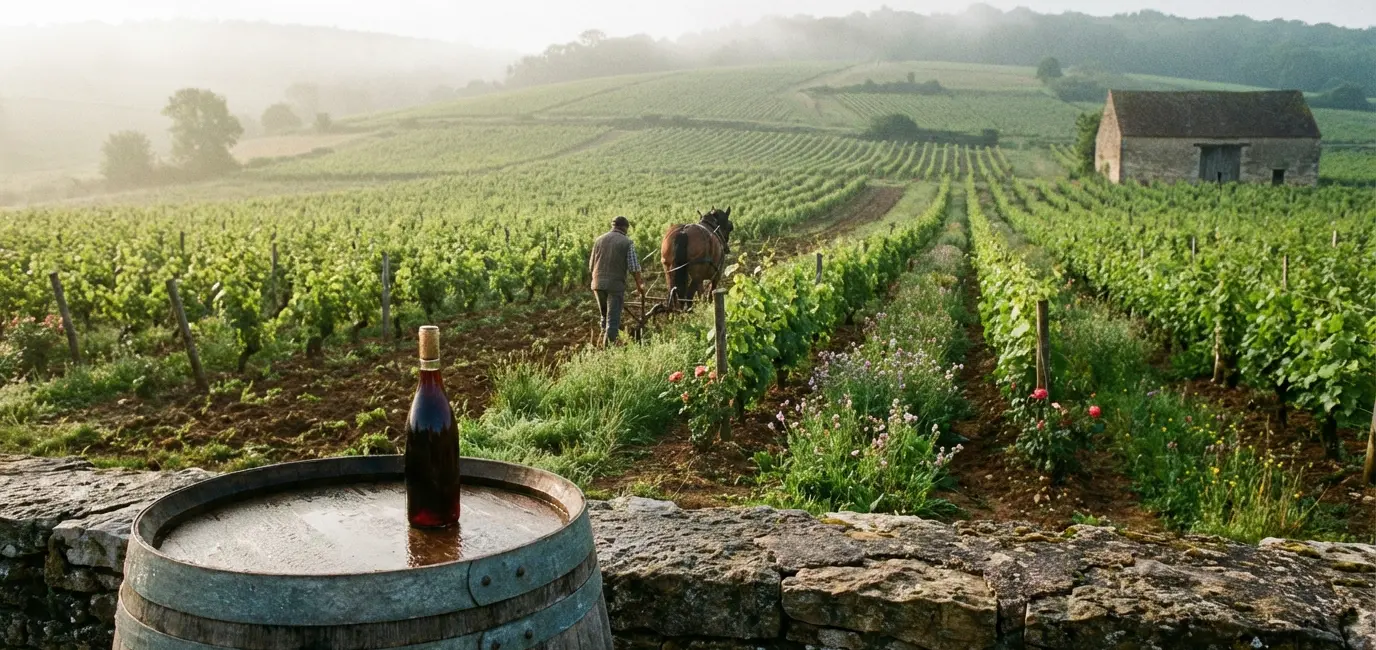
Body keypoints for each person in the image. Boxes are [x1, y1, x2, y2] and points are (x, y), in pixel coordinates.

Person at [588, 216, 646, 345]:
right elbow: (634, 267)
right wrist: (639, 285)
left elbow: (591, 265)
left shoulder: (599, 240)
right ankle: (608, 350)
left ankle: (603, 342)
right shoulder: (626, 242)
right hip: (614, 285)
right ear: (624, 228)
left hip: (597, 284)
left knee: (604, 316)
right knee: (613, 320)